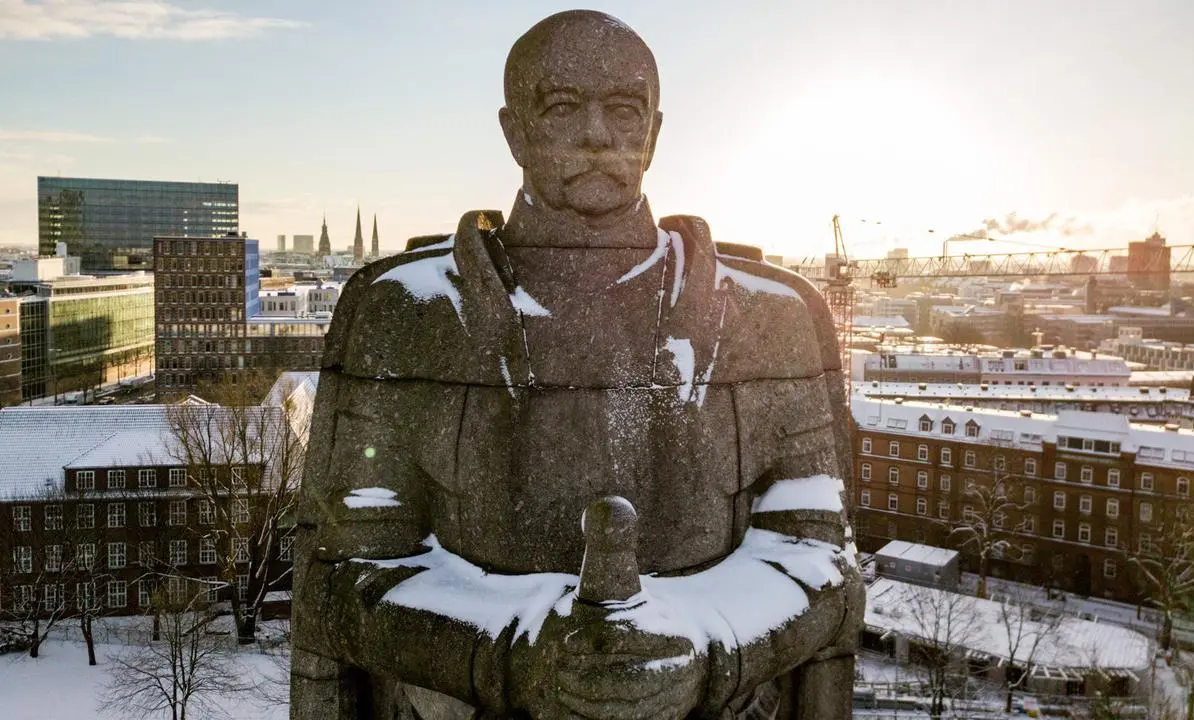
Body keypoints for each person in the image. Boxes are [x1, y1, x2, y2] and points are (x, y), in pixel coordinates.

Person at [291, 10, 863, 720]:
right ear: (514, 131)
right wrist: (512, 659)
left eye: (623, 111)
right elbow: (338, 579)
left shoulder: (773, 317)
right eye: (563, 108)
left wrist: (711, 651)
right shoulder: (401, 314)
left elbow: (823, 565)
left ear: (654, 132)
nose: (597, 134)